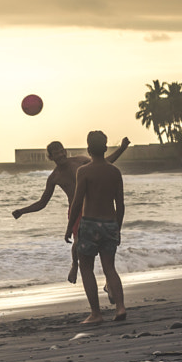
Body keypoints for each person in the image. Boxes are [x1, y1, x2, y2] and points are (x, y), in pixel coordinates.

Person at [13, 136, 130, 283]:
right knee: (78, 241)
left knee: (104, 245)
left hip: (93, 206)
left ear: (65, 151)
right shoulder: (54, 177)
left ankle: (109, 280)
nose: (61, 155)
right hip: (75, 210)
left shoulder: (80, 161)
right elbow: (43, 202)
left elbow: (104, 163)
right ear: (50, 157)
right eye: (56, 153)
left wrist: (122, 148)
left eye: (62, 151)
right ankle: (75, 265)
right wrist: (22, 211)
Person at [69, 130, 128, 324]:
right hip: (110, 223)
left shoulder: (83, 171)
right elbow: (120, 204)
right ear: (105, 148)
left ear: (88, 148)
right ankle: (120, 307)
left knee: (86, 267)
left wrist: (70, 227)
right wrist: (117, 227)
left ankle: (96, 313)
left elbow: (77, 202)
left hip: (90, 224)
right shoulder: (114, 171)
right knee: (109, 267)